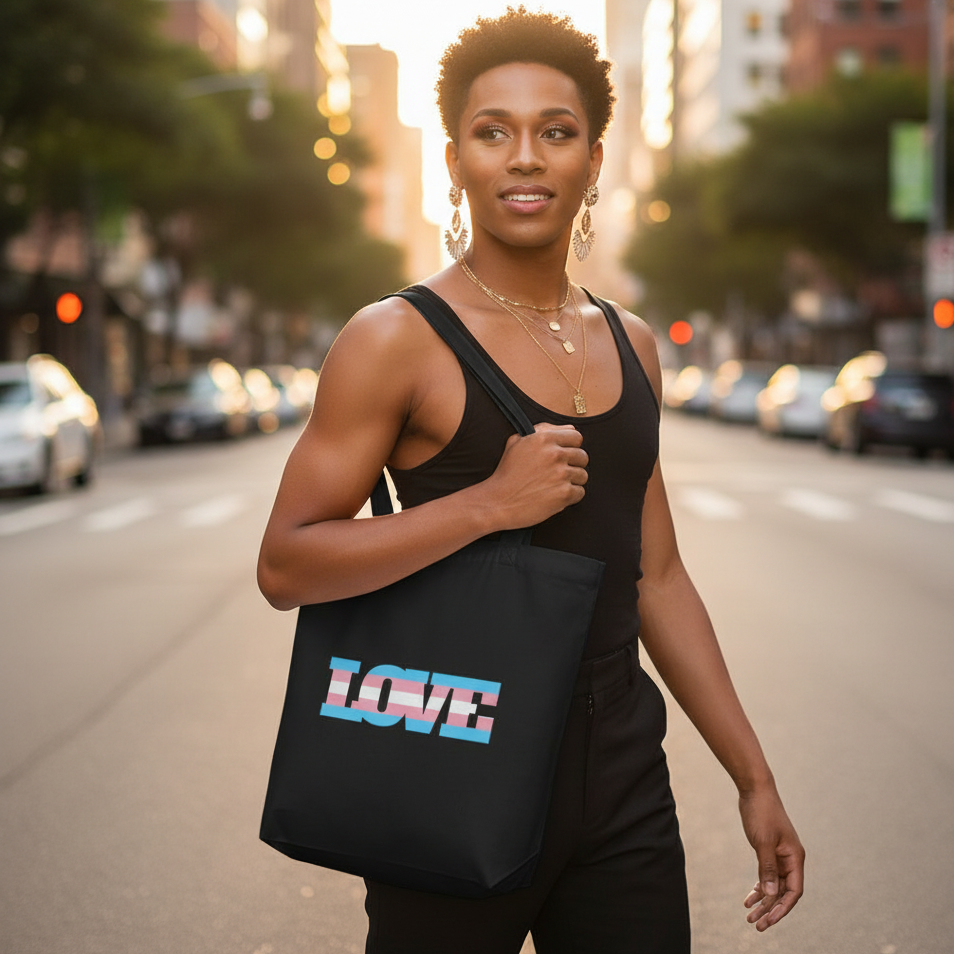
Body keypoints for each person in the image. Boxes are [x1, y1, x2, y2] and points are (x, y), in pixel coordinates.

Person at [257, 7, 805, 953]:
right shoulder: (394, 340)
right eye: (491, 131)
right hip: (456, 747)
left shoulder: (631, 345)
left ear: (593, 159)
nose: (523, 157)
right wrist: (487, 507)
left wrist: (753, 775)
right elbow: (287, 564)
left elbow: (659, 577)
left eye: (554, 132)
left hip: (622, 766)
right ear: (456, 159)